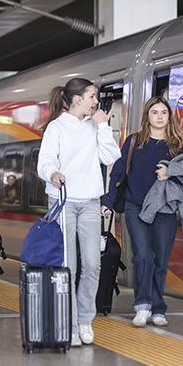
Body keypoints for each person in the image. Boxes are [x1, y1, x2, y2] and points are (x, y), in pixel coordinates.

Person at [37, 78, 120, 347]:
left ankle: (85, 320)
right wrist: (53, 173)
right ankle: (69, 324)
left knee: (93, 264)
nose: (96, 101)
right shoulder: (56, 127)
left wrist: (103, 126)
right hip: (63, 201)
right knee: (68, 266)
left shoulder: (95, 126)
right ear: (78, 99)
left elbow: (110, 157)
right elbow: (45, 161)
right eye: (92, 96)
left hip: (90, 202)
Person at [102, 96, 183, 328]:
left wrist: (170, 172)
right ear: (147, 116)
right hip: (136, 207)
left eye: (164, 112)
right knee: (142, 256)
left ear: (169, 117)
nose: (159, 116)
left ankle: (158, 308)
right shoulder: (134, 142)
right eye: (155, 112)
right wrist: (108, 202)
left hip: (165, 209)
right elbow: (117, 173)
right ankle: (142, 306)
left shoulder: (178, 145)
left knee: (160, 259)